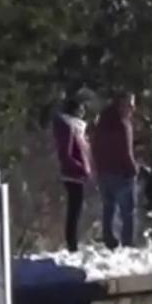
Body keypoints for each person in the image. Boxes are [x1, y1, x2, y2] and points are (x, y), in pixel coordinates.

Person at [90, 92, 139, 248]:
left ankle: (108, 236)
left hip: (104, 172)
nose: (132, 108)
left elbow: (94, 147)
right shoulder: (123, 124)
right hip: (121, 173)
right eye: (130, 104)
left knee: (108, 207)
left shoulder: (102, 123)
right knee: (128, 211)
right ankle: (128, 243)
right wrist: (134, 169)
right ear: (122, 105)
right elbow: (126, 151)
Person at [51, 95, 93, 252]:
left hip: (78, 173)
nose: (83, 111)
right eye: (80, 108)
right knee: (74, 210)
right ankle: (72, 243)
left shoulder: (77, 127)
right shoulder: (68, 127)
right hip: (73, 174)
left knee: (77, 209)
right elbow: (66, 153)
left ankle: (74, 241)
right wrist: (80, 167)